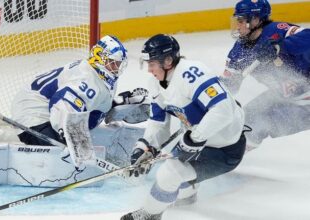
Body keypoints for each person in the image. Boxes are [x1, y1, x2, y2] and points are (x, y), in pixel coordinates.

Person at [121, 34, 247, 220]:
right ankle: (188, 194)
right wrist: (146, 146)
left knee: (169, 172)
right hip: (203, 142)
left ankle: (150, 214)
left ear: (168, 61)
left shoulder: (192, 73)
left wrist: (194, 138)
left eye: (152, 64)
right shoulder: (155, 84)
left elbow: (223, 110)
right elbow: (158, 122)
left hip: (225, 150)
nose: (149, 70)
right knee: (176, 164)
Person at [10, 35, 146, 167]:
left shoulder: (101, 76)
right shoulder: (87, 79)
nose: (117, 69)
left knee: (76, 148)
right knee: (62, 159)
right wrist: (70, 137)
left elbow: (93, 106)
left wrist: (120, 103)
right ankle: (13, 164)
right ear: (100, 59)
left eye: (119, 64)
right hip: (33, 114)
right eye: (113, 63)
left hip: (48, 111)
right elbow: (62, 104)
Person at [222, 0, 310, 149]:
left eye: (242, 21)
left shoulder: (278, 31)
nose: (238, 25)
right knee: (245, 118)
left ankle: (230, 158)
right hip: (282, 97)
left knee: (260, 122)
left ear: (256, 20)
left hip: (306, 104)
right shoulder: (238, 51)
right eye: (238, 21)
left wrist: (280, 46)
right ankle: (229, 156)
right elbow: (230, 85)